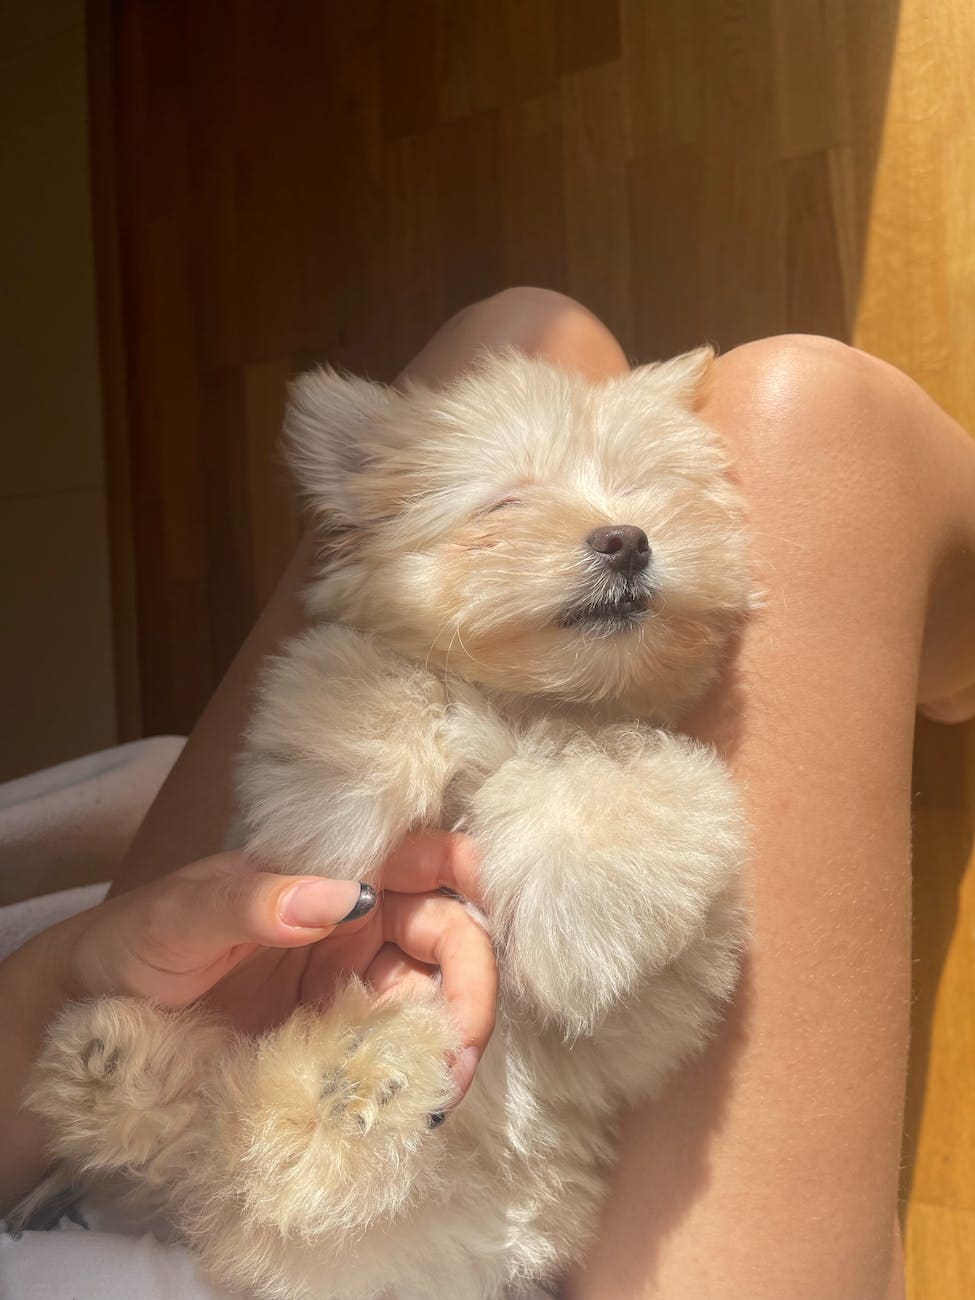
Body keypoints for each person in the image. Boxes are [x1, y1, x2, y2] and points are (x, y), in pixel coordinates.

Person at [2, 287, 974, 1300]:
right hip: (417, 1232)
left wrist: (52, 988)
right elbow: (576, 941)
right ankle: (951, 657)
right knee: (812, 418)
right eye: (506, 506)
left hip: (125, 1143)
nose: (619, 532)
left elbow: (315, 838)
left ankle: (227, 1116)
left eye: (635, 499)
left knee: (524, 332)